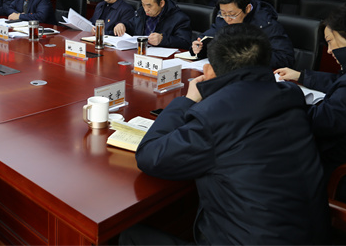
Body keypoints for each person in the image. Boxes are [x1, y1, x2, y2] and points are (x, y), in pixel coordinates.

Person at [121, 24, 330, 245]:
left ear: (210, 70)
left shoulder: (214, 116)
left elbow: (150, 155)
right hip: (313, 236)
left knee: (130, 237)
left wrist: (187, 100)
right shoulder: (290, 95)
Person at [275, 5, 346, 218]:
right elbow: (345, 82)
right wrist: (302, 76)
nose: (328, 51)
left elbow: (320, 123)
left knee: (281, 168)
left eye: (330, 41)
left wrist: (281, 98)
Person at [192, 0, 294, 68]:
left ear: (247, 8)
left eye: (232, 14)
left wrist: (246, 57)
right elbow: (210, 34)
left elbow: (285, 57)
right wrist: (199, 47)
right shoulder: (223, 16)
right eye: (223, 13)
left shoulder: (266, 23)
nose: (227, 19)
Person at [115, 0, 191, 49]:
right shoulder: (141, 12)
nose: (145, 9)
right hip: (141, 52)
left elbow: (185, 43)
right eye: (143, 4)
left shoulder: (179, 18)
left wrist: (162, 39)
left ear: (161, 3)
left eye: (149, 6)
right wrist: (122, 25)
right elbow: (131, 26)